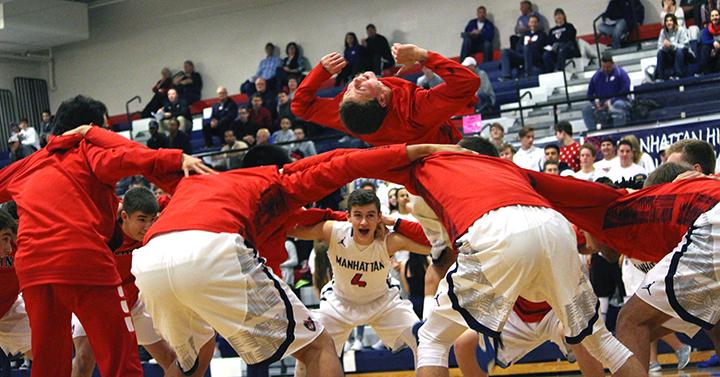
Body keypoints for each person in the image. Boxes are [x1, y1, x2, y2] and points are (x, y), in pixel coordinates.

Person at [130, 142, 463, 377]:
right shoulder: (276, 182)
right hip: (211, 251)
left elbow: (140, 159)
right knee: (319, 347)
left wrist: (173, 157)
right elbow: (343, 163)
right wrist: (410, 151)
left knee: (192, 361)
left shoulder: (199, 180)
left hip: (150, 259)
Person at [377, 136, 645, 377]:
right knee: (601, 341)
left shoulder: (444, 179)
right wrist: (620, 209)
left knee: (433, 339)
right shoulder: (514, 172)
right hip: (550, 232)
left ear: (463, 157)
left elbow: (441, 255)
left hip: (513, 263)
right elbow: (577, 197)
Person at [0, 95, 211, 377]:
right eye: (103, 129)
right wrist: (173, 156)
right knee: (120, 359)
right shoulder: (87, 151)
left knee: (49, 362)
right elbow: (128, 154)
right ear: (90, 130)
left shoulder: (29, 163)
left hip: (32, 266)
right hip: (80, 256)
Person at [288, 189, 431, 375]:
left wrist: (396, 221)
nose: (364, 222)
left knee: (424, 340)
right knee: (309, 348)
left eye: (370, 215)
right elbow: (291, 229)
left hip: (383, 303)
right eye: (358, 215)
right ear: (347, 216)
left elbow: (433, 244)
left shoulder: (389, 240)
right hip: (339, 303)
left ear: (380, 217)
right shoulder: (333, 231)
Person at [71, 187, 178, 377]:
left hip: (132, 302)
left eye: (152, 220)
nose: (147, 227)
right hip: (97, 302)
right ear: (124, 216)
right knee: (84, 360)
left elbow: (174, 195)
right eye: (141, 220)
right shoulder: (103, 224)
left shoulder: (155, 217)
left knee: (171, 359)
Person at [292, 43, 479, 146]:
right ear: (381, 99)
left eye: (348, 91)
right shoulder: (415, 112)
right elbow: (467, 83)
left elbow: (300, 106)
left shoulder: (350, 113)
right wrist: (421, 55)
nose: (354, 81)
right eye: (360, 88)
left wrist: (320, 72)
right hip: (448, 157)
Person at [0, 207, 31, 362]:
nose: (9, 247)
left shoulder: (21, 243)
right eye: (4, 239)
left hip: (8, 310)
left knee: (48, 356)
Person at [582, 55, 632, 130]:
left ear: (613, 64)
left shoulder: (620, 73)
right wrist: (596, 102)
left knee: (618, 105)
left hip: (620, 100)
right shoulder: (596, 76)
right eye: (603, 67)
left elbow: (625, 90)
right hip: (602, 102)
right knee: (586, 109)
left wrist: (611, 101)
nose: (605, 69)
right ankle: (593, 133)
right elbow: (590, 94)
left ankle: (618, 131)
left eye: (608, 67)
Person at [500, 15, 547, 79]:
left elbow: (537, 46)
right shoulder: (525, 34)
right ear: (528, 23)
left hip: (534, 55)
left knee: (527, 48)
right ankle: (506, 75)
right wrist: (525, 47)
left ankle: (528, 73)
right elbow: (518, 46)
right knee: (505, 51)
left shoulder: (542, 34)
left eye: (535, 22)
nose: (533, 24)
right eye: (531, 22)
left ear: (538, 23)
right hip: (522, 55)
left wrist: (527, 46)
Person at [543, 8, 580, 73]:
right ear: (554, 18)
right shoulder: (552, 31)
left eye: (560, 14)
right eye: (556, 15)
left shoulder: (569, 26)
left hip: (568, 49)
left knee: (562, 49)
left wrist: (558, 43)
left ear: (564, 16)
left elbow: (570, 38)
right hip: (555, 51)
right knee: (546, 55)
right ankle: (549, 73)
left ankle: (560, 71)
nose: (558, 16)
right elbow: (549, 43)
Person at [656, 13, 691, 80]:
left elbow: (685, 45)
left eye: (670, 20)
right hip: (669, 54)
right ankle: (660, 77)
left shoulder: (680, 30)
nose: (668, 23)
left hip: (684, 53)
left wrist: (671, 45)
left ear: (674, 22)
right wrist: (664, 47)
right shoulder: (663, 32)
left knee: (679, 51)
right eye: (667, 21)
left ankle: (678, 75)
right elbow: (659, 47)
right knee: (660, 53)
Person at [700, 9, 720, 74]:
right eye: (712, 16)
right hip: (712, 53)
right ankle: (706, 73)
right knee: (705, 48)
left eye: (716, 15)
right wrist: (713, 42)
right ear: (710, 18)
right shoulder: (708, 29)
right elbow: (704, 40)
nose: (714, 17)